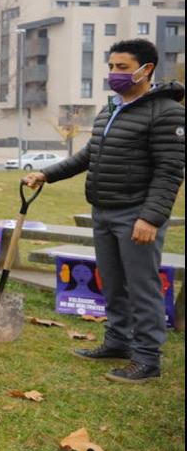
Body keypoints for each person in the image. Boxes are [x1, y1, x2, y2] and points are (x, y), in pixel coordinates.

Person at [25, 39, 184, 383]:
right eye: (111, 67)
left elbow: (170, 170)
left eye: (123, 67)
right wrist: (46, 174)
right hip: (104, 210)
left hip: (136, 214)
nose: (114, 73)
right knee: (113, 284)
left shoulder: (167, 112)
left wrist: (150, 217)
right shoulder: (112, 107)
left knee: (143, 288)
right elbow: (88, 155)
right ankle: (117, 342)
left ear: (147, 69)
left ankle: (147, 359)